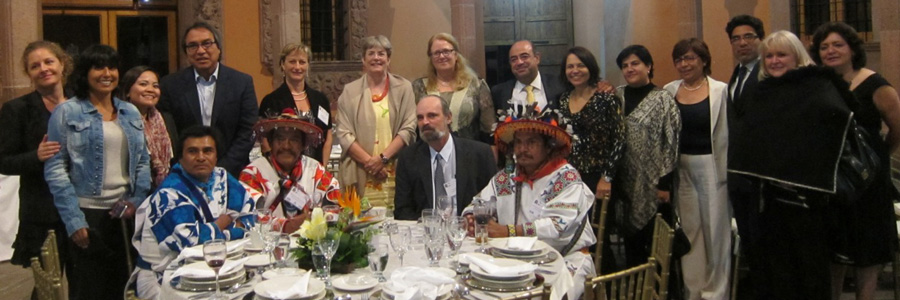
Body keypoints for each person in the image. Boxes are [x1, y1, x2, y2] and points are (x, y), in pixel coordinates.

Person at [729, 30, 855, 299]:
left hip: (808, 202)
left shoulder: (819, 87)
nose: (774, 61)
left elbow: (833, 131)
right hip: (769, 200)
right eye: (769, 56)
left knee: (808, 271)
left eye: (781, 55)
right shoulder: (763, 92)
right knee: (777, 269)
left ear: (796, 56)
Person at [44, 44, 151, 300]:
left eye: (112, 67)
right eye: (98, 67)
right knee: (88, 291)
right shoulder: (67, 112)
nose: (107, 73)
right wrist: (74, 220)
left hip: (124, 215)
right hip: (86, 215)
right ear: (85, 72)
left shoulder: (130, 111)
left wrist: (135, 201)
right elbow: (56, 168)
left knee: (124, 289)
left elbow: (143, 162)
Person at [462, 106, 595, 299]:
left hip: (567, 258)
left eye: (531, 142)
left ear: (548, 146)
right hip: (515, 260)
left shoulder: (565, 177)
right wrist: (471, 218)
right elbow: (479, 203)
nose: (522, 149)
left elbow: (556, 227)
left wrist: (507, 231)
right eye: (518, 143)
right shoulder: (507, 177)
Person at [810, 22, 900, 300]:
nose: (830, 51)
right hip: (832, 179)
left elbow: (897, 126)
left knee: (867, 251)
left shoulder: (874, 83)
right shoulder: (820, 84)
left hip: (868, 182)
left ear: (852, 49)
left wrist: (878, 155)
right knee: (833, 249)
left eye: (838, 45)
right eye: (824, 47)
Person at [131, 125, 255, 299]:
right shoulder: (169, 192)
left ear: (216, 155)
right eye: (192, 151)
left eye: (207, 151)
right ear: (181, 158)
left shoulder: (222, 177)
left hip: (213, 269)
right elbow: (191, 243)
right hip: (163, 274)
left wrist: (216, 230)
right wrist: (223, 225)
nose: (201, 157)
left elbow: (251, 217)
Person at [0, 41, 76, 285]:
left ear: (62, 64)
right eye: (35, 66)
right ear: (29, 73)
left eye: (48, 62)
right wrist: (36, 156)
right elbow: (4, 162)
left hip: (82, 209)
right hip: (43, 213)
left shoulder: (82, 103)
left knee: (85, 285)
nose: (43, 68)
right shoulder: (16, 109)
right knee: (48, 287)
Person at [662, 38, 730, 300]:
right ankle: (694, 291)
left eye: (690, 58)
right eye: (679, 59)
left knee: (716, 233)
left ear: (703, 60)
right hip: (682, 167)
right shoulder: (670, 91)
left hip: (713, 166)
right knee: (690, 232)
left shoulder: (720, 91)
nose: (684, 64)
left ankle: (716, 293)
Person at [158, 21, 258, 176]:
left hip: (231, 172)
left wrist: (222, 168)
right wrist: (187, 165)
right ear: (186, 52)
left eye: (207, 44)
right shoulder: (170, 85)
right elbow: (169, 133)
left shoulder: (241, 82)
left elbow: (248, 130)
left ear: (218, 48)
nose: (200, 51)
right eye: (192, 46)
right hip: (185, 173)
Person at [613, 45, 681, 268]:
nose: (630, 69)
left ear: (648, 66)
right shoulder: (617, 96)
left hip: (653, 185)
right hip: (625, 184)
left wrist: (665, 184)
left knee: (656, 249)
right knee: (631, 246)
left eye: (635, 63)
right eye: (625, 65)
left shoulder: (663, 99)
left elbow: (671, 143)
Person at [334, 35, 417, 208]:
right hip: (361, 171)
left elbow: (408, 128)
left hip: (395, 170)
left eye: (381, 53)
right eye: (371, 53)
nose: (376, 58)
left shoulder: (404, 88)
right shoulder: (350, 91)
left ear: (388, 59)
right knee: (362, 226)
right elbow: (344, 134)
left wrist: (383, 159)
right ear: (363, 60)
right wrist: (371, 164)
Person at [393, 95, 496, 220]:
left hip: (467, 233)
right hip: (425, 234)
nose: (425, 122)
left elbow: (492, 204)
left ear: (448, 117)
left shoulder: (480, 153)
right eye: (420, 117)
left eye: (432, 116)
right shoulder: (408, 157)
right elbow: (402, 210)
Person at [240, 110, 341, 233]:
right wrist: (286, 225)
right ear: (271, 142)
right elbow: (247, 217)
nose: (286, 146)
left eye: (294, 140)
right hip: (267, 246)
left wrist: (316, 217)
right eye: (280, 139)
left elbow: (336, 203)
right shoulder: (252, 174)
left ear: (303, 145)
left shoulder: (315, 170)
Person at [724, 14, 765, 296]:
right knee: (751, 242)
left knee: (766, 243)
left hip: (762, 176)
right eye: (736, 38)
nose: (742, 43)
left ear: (760, 38)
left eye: (748, 36)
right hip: (740, 176)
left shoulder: (768, 72)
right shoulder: (737, 73)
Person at [412, 33, 494, 144]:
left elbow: (489, 129)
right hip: (429, 154)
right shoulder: (418, 87)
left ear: (456, 55)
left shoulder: (476, 85)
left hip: (469, 154)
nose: (441, 56)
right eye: (436, 53)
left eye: (446, 51)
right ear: (431, 58)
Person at [258, 43, 334, 163]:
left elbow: (328, 136)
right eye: (292, 62)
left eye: (302, 62)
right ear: (283, 64)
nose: (297, 67)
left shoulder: (320, 99)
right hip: (282, 169)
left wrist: (321, 169)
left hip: (315, 170)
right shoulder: (271, 100)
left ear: (308, 65)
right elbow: (264, 138)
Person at [119, 66, 176, 190]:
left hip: (164, 190)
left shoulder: (166, 120)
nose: (150, 90)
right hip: (129, 190)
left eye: (155, 86)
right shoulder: (119, 120)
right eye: (143, 84)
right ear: (128, 91)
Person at [491, 40, 566, 114]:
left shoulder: (559, 86)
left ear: (537, 58)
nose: (519, 62)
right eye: (514, 59)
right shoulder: (499, 93)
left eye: (524, 57)